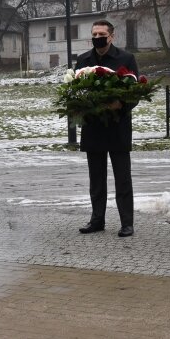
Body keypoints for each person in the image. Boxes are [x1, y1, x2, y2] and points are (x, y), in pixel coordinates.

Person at [74, 20, 138, 237]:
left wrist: (120, 103)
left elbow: (135, 92)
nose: (98, 37)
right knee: (96, 179)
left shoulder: (126, 59)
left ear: (111, 36)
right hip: (93, 127)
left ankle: (126, 223)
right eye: (94, 33)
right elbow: (75, 91)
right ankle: (97, 220)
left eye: (102, 33)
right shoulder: (83, 60)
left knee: (122, 178)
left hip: (117, 126)